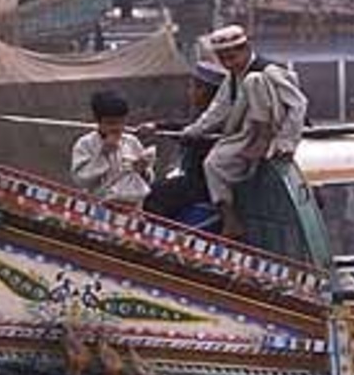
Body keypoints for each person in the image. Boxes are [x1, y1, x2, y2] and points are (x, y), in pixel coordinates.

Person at [181, 25, 308, 239]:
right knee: (213, 164)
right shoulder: (232, 77)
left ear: (245, 49)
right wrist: (193, 131)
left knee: (254, 80)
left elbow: (299, 104)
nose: (229, 63)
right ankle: (231, 220)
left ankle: (262, 137)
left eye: (233, 56)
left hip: (274, 127)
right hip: (247, 132)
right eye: (223, 58)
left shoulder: (268, 70)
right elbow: (218, 109)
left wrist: (286, 142)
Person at [143, 62, 227, 219]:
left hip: (206, 183)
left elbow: (191, 135)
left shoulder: (217, 119)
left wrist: (167, 130)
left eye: (197, 88)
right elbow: (186, 126)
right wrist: (157, 126)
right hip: (193, 179)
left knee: (152, 195)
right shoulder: (202, 116)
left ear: (212, 94)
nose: (191, 92)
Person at [72, 90, 156, 206]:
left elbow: (148, 179)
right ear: (98, 121)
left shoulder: (132, 142)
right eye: (110, 123)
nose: (117, 128)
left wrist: (142, 169)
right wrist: (103, 154)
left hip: (132, 206)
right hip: (99, 205)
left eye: (121, 122)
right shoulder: (85, 144)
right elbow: (80, 180)